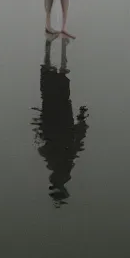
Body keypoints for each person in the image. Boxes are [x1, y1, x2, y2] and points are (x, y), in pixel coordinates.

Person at [31, 35, 89, 207]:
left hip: (54, 109)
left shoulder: (59, 160)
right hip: (57, 109)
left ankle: (55, 45)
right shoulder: (59, 160)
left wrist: (81, 117)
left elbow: (78, 136)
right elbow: (78, 136)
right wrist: (81, 117)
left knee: (58, 74)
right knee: (56, 73)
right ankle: (55, 45)